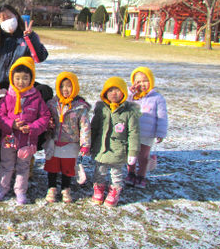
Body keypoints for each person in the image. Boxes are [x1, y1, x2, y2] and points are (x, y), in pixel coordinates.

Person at [0, 57, 51, 205]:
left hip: (27, 141)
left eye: (25, 78)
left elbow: (44, 117)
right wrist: (12, 124)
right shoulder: (7, 96)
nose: (21, 82)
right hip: (9, 139)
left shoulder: (36, 97)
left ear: (31, 79)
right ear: (12, 78)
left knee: (23, 167)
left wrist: (32, 128)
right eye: (17, 78)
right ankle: (2, 189)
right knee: (6, 165)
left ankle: (20, 191)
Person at [90, 77, 140, 207]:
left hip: (119, 149)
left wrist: (133, 152)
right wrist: (89, 143)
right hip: (101, 148)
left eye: (117, 90)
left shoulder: (129, 112)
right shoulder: (101, 109)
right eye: (110, 90)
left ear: (123, 92)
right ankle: (99, 188)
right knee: (99, 171)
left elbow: (133, 133)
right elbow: (94, 127)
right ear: (105, 93)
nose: (113, 93)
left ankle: (115, 190)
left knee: (116, 173)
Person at [43, 72, 91, 203]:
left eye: (69, 86)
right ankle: (52, 187)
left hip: (71, 143)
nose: (65, 89)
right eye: (62, 86)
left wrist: (85, 143)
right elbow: (46, 117)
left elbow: (85, 126)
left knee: (68, 168)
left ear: (75, 87)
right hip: (54, 141)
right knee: (52, 166)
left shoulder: (80, 107)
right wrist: (48, 124)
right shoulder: (52, 104)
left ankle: (66, 187)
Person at [0, 4, 48, 89]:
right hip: (0, 84)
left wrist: (30, 37)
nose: (7, 21)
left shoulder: (27, 37)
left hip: (20, 86)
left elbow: (40, 57)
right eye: (3, 19)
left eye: (9, 17)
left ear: (16, 16)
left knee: (45, 90)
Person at [126, 66, 168, 188]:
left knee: (143, 157)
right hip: (132, 133)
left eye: (145, 80)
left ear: (151, 81)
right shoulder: (133, 97)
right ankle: (131, 173)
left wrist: (160, 133)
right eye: (138, 81)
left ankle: (141, 176)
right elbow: (123, 105)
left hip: (147, 133)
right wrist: (129, 93)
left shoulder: (157, 98)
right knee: (131, 155)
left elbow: (162, 117)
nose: (142, 84)